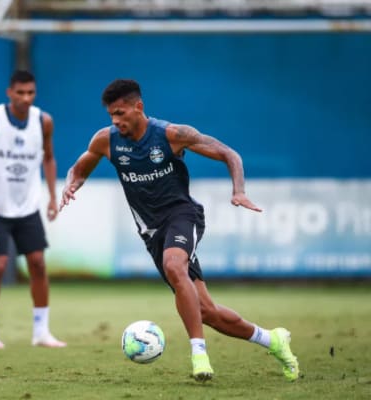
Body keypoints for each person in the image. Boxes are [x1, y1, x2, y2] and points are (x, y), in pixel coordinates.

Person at [59, 79, 299, 382]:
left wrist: (239, 191)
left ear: (139, 107)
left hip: (183, 215)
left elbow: (229, 153)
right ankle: (272, 339)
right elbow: (80, 168)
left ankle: (198, 353)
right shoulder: (106, 141)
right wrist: (71, 184)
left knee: (175, 265)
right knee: (207, 311)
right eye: (111, 116)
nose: (116, 121)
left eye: (120, 113)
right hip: (152, 233)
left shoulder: (172, 135)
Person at [0, 70, 66, 349]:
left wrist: (53, 197)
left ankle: (41, 332)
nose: (26, 98)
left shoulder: (44, 121)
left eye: (30, 92)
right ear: (9, 92)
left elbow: (50, 159)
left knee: (38, 264)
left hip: (28, 205)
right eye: (20, 92)